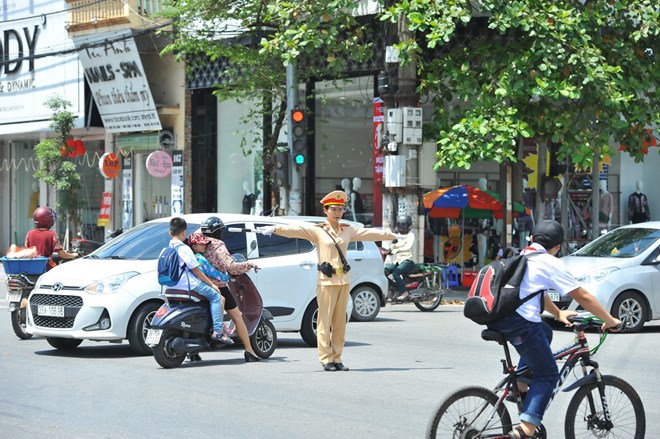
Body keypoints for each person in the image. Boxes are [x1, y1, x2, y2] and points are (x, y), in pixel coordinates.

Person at [487, 220, 621, 438]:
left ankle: (520, 385)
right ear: (558, 247)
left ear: (532, 238)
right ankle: (526, 429)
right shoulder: (549, 262)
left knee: (545, 331)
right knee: (548, 373)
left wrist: (558, 314)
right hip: (519, 324)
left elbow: (537, 292)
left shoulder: (523, 256)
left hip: (501, 319)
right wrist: (609, 319)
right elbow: (583, 296)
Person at [257, 190, 396, 372]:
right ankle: (326, 358)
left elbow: (367, 233)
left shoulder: (348, 230)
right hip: (326, 280)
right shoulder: (318, 231)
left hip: (343, 280)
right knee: (325, 320)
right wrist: (276, 229)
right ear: (325, 210)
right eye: (334, 209)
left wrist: (391, 235)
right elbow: (297, 230)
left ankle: (337, 358)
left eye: (340, 209)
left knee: (340, 322)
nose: (337, 213)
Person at [200, 216, 262, 362]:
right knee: (237, 316)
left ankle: (193, 352)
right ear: (218, 232)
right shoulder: (217, 245)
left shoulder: (196, 242)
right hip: (218, 286)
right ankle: (249, 350)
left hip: (199, 285)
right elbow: (231, 267)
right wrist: (248, 265)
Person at [165, 217, 233, 345]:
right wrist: (212, 284)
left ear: (170, 233)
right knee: (216, 296)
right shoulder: (184, 249)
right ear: (184, 232)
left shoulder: (166, 249)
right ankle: (218, 331)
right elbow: (196, 270)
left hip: (171, 286)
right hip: (188, 285)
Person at [383, 215, 416, 300]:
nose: (401, 227)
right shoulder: (397, 236)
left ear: (408, 225)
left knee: (396, 273)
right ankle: (394, 289)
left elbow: (407, 247)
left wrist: (394, 250)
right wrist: (386, 250)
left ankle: (405, 292)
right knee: (384, 271)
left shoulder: (410, 235)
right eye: (400, 225)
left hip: (407, 260)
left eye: (404, 225)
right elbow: (392, 246)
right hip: (397, 261)